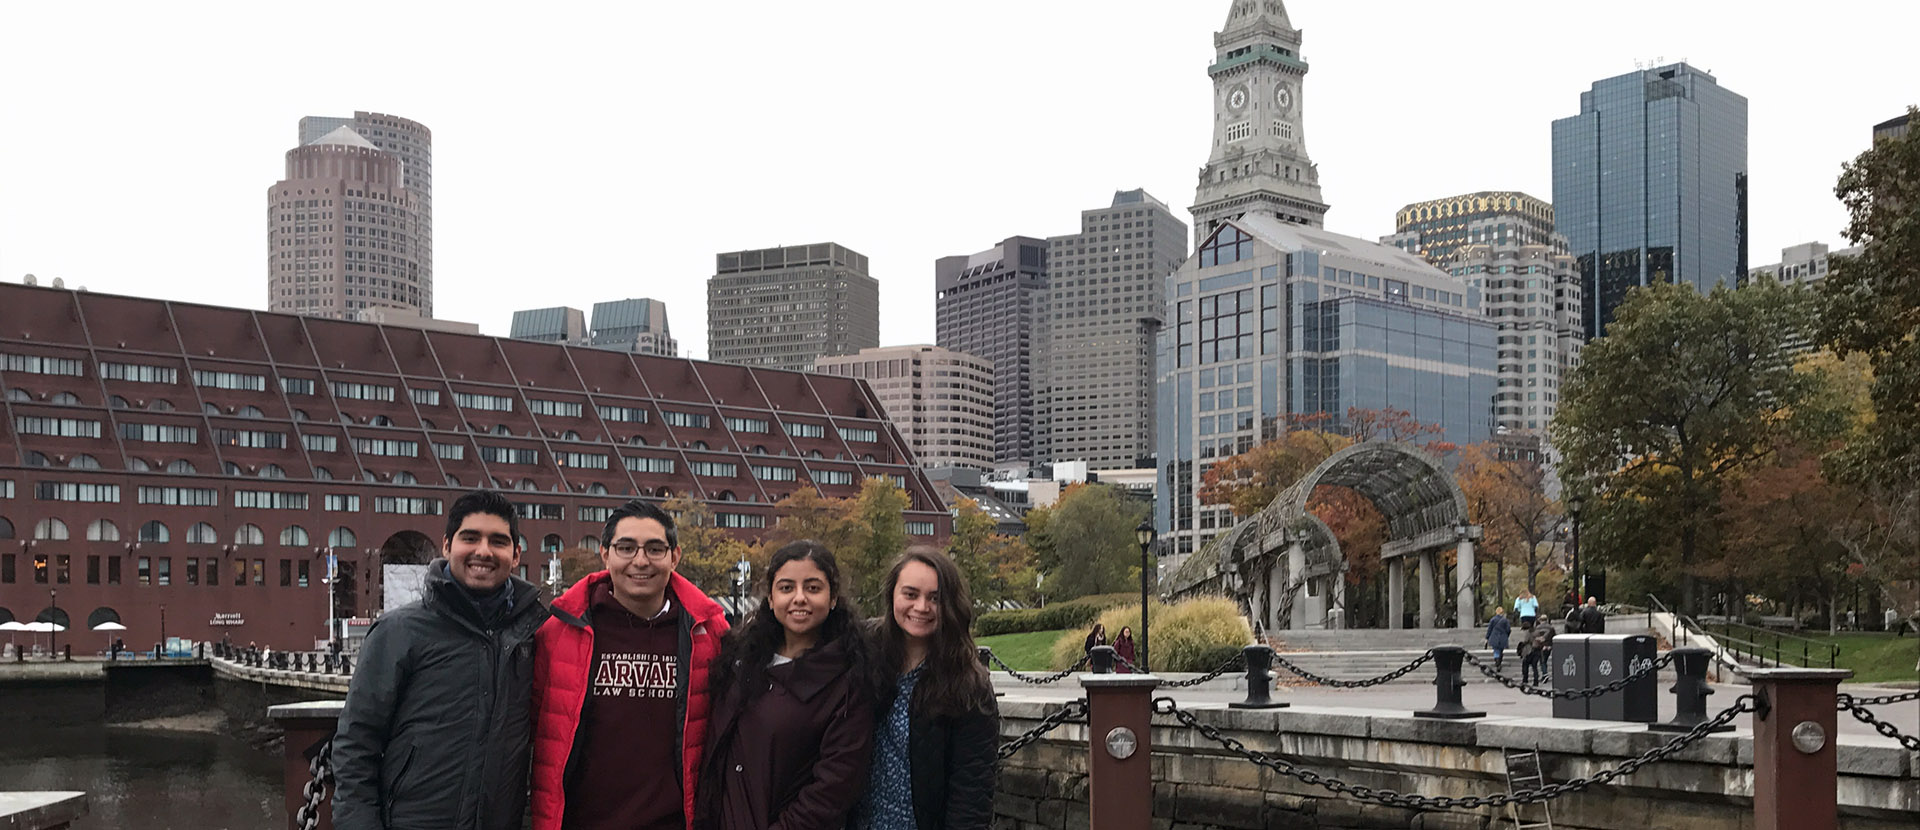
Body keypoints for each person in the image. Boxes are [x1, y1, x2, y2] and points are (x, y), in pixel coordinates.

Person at [331, 490, 549, 830]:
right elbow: (357, 742)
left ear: (516, 554)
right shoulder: (399, 631)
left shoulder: (534, 633)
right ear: (447, 546)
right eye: (470, 538)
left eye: (498, 541)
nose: (483, 551)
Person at [531, 499, 731, 830]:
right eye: (626, 548)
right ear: (605, 554)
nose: (640, 561)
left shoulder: (708, 633)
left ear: (674, 557)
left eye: (655, 549)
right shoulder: (561, 631)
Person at [698, 541, 876, 830]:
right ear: (770, 598)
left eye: (813, 588)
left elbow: (832, 789)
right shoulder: (740, 659)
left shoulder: (848, 680)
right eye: (786, 588)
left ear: (833, 599)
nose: (799, 598)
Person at [858, 551, 1000, 830]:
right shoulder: (862, 652)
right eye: (910, 594)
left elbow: (971, 793)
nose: (922, 607)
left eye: (935, 598)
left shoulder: (969, 685)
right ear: (892, 595)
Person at [1522, 622, 1555, 687]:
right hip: (1538, 650)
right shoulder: (1537, 632)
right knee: (1535, 667)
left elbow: (1526, 641)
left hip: (1530, 651)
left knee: (1525, 665)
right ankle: (1536, 681)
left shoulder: (1528, 633)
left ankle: (1525, 680)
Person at [1485, 607, 1511, 673]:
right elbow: (1508, 630)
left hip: (1494, 636)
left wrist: (1487, 638)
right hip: (1503, 637)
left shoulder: (1493, 620)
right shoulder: (1505, 620)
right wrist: (1506, 635)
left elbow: (1489, 629)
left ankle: (1497, 663)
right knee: (1501, 650)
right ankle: (1499, 662)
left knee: (1496, 651)